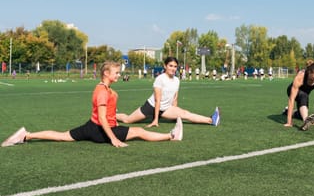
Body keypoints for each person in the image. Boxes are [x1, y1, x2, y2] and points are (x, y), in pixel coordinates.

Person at [2, 61, 183, 148]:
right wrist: (113, 139)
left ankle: (27, 135)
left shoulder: (108, 90)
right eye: (117, 73)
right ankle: (171, 136)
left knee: (62, 135)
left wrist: (116, 124)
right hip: (100, 130)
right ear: (106, 73)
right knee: (140, 132)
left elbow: (108, 115)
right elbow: (103, 118)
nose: (119, 75)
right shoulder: (103, 91)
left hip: (91, 127)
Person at [116, 57, 220, 127]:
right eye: (170, 66)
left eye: (175, 66)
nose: (173, 68)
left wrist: (175, 114)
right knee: (128, 120)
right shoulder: (160, 79)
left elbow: (175, 98)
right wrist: (156, 119)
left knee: (185, 113)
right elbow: (157, 100)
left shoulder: (177, 80)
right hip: (151, 107)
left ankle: (211, 120)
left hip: (166, 109)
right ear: (165, 66)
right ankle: (111, 115)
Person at [283, 60, 314, 131]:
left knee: (300, 115)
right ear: (309, 73)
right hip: (292, 91)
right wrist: (289, 121)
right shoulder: (301, 76)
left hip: (305, 94)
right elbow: (292, 99)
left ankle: (287, 111)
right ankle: (306, 120)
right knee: (303, 96)